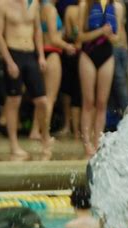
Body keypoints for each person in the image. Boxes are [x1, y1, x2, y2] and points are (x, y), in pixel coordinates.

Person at [0, 0, 52, 160]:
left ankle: (45, 136)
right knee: (13, 101)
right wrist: (9, 61)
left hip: (30, 54)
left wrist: (41, 56)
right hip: (13, 52)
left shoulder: (33, 4)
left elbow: (37, 30)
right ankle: (14, 145)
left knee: (42, 101)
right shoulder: (2, 5)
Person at [29, 0, 76, 141]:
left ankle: (35, 131)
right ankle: (45, 134)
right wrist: (68, 46)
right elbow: (54, 38)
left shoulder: (38, 8)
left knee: (41, 97)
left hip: (41, 53)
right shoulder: (50, 10)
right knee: (50, 98)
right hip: (52, 53)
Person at [78, 0, 119, 157]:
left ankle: (97, 142)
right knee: (88, 102)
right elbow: (80, 36)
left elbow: (118, 38)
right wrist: (101, 32)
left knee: (102, 103)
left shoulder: (117, 7)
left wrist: (110, 36)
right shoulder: (85, 5)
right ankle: (87, 142)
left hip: (107, 55)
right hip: (88, 54)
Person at [58, 0, 82, 139]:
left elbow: (68, 32)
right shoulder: (93, 10)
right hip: (84, 51)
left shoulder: (70, 10)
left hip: (71, 51)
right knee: (79, 93)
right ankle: (78, 129)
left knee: (68, 91)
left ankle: (68, 126)